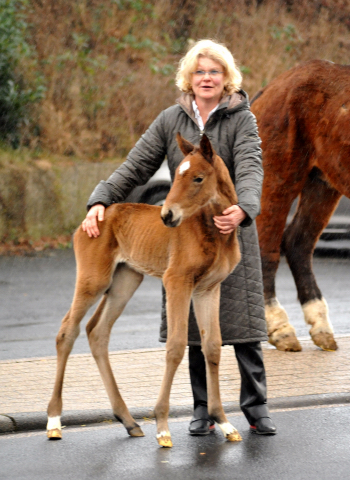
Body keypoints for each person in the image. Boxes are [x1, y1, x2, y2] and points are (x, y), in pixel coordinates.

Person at [82, 39, 277, 436]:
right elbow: (136, 165)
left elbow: (252, 165)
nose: (207, 78)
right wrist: (101, 198)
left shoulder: (242, 118)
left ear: (227, 79)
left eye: (214, 72)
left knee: (243, 322)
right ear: (189, 78)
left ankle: (256, 408)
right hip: (188, 233)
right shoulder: (172, 118)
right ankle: (202, 409)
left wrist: (246, 209)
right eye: (200, 71)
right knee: (191, 326)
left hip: (231, 227)